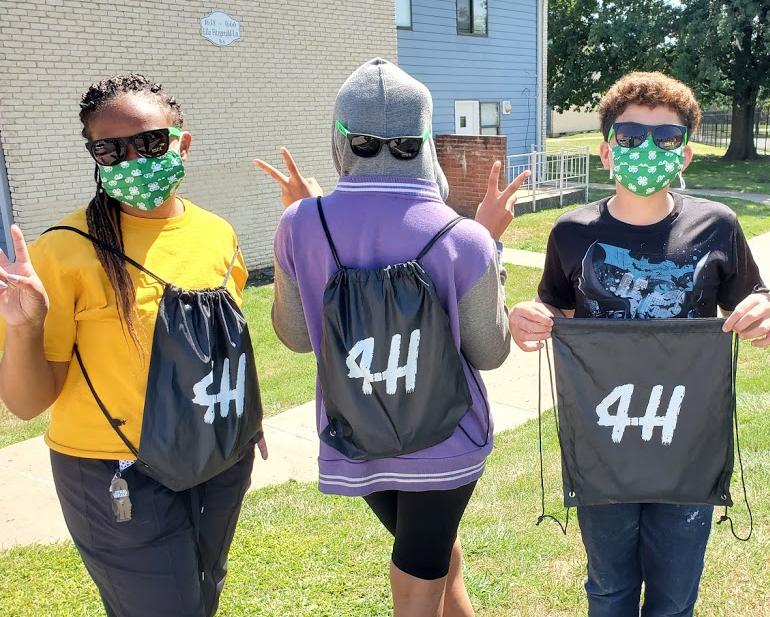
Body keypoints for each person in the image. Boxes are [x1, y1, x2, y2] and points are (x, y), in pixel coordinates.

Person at [257, 58, 528, 617]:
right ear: (425, 141)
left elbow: (294, 336)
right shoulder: (464, 236)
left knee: (434, 551)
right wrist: (490, 242)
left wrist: (303, 228)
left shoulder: (300, 223)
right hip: (447, 442)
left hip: (359, 433)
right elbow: (491, 350)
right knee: (424, 562)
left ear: (340, 139)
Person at [0, 74, 267, 617]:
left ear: (181, 143)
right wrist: (26, 328)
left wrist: (244, 416)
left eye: (149, 143)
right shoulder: (62, 252)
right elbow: (27, 404)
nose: (133, 159)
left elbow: (221, 342)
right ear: (93, 155)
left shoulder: (216, 232)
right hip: (113, 472)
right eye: (110, 149)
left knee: (203, 591)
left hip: (216, 456)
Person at [509, 71, 770, 617]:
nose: (647, 148)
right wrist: (532, 317)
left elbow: (755, 303)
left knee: (675, 599)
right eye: (630, 137)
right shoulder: (570, 232)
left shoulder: (717, 226)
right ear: (606, 152)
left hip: (689, 446)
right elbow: (557, 308)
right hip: (603, 443)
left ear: (686, 153)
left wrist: (763, 316)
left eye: (666, 139)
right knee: (609, 590)